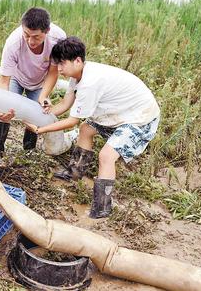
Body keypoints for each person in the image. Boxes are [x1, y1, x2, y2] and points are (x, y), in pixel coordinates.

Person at [25, 36, 160, 218]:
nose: (59, 69)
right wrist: (48, 112)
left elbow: (72, 120)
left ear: (78, 60)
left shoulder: (90, 83)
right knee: (86, 129)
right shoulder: (77, 76)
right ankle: (75, 172)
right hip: (118, 111)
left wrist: (41, 130)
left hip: (140, 116)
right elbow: (65, 104)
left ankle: (102, 207)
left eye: (62, 64)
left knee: (106, 156)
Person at [0, 7, 67, 168]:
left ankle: (28, 151)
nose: (30, 41)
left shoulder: (58, 38)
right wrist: (0, 104)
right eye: (26, 35)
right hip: (16, 77)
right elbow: (4, 80)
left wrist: (44, 95)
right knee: (4, 107)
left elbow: (53, 71)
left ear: (47, 31)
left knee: (37, 112)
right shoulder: (13, 42)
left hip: (40, 81)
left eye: (36, 37)